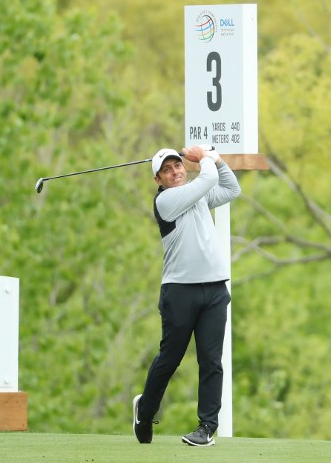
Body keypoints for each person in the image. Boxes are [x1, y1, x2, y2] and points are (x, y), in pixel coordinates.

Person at [133, 144, 241, 447]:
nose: (175, 172)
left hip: (215, 290)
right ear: (159, 181)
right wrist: (204, 157)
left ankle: (207, 426)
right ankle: (145, 411)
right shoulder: (166, 201)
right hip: (179, 291)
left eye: (177, 166)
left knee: (211, 361)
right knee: (170, 359)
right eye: (166, 170)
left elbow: (232, 189)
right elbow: (207, 181)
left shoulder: (197, 193)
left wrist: (216, 158)